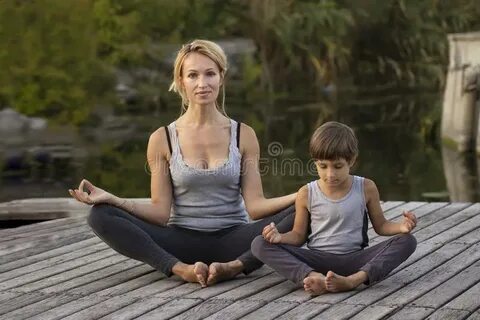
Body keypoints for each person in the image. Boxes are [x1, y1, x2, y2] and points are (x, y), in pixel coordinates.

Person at [69, 39, 296, 287]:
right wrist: (113, 199)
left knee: (305, 209)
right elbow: (159, 213)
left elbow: (256, 206)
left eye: (210, 73)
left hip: (235, 240)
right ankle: (179, 269)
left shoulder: (244, 134)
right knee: (100, 215)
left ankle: (236, 267)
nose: (202, 83)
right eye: (192, 75)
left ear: (222, 77)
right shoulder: (162, 138)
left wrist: (303, 194)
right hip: (181, 242)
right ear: (180, 82)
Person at [251, 121, 417, 296]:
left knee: (408, 241)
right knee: (259, 244)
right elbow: (298, 236)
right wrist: (280, 237)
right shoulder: (306, 193)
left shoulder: (366, 187)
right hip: (317, 260)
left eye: (338, 166)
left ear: (351, 160)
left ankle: (353, 280)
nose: (330, 174)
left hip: (355, 260)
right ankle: (314, 277)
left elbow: (381, 226)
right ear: (315, 162)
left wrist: (401, 227)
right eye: (323, 166)